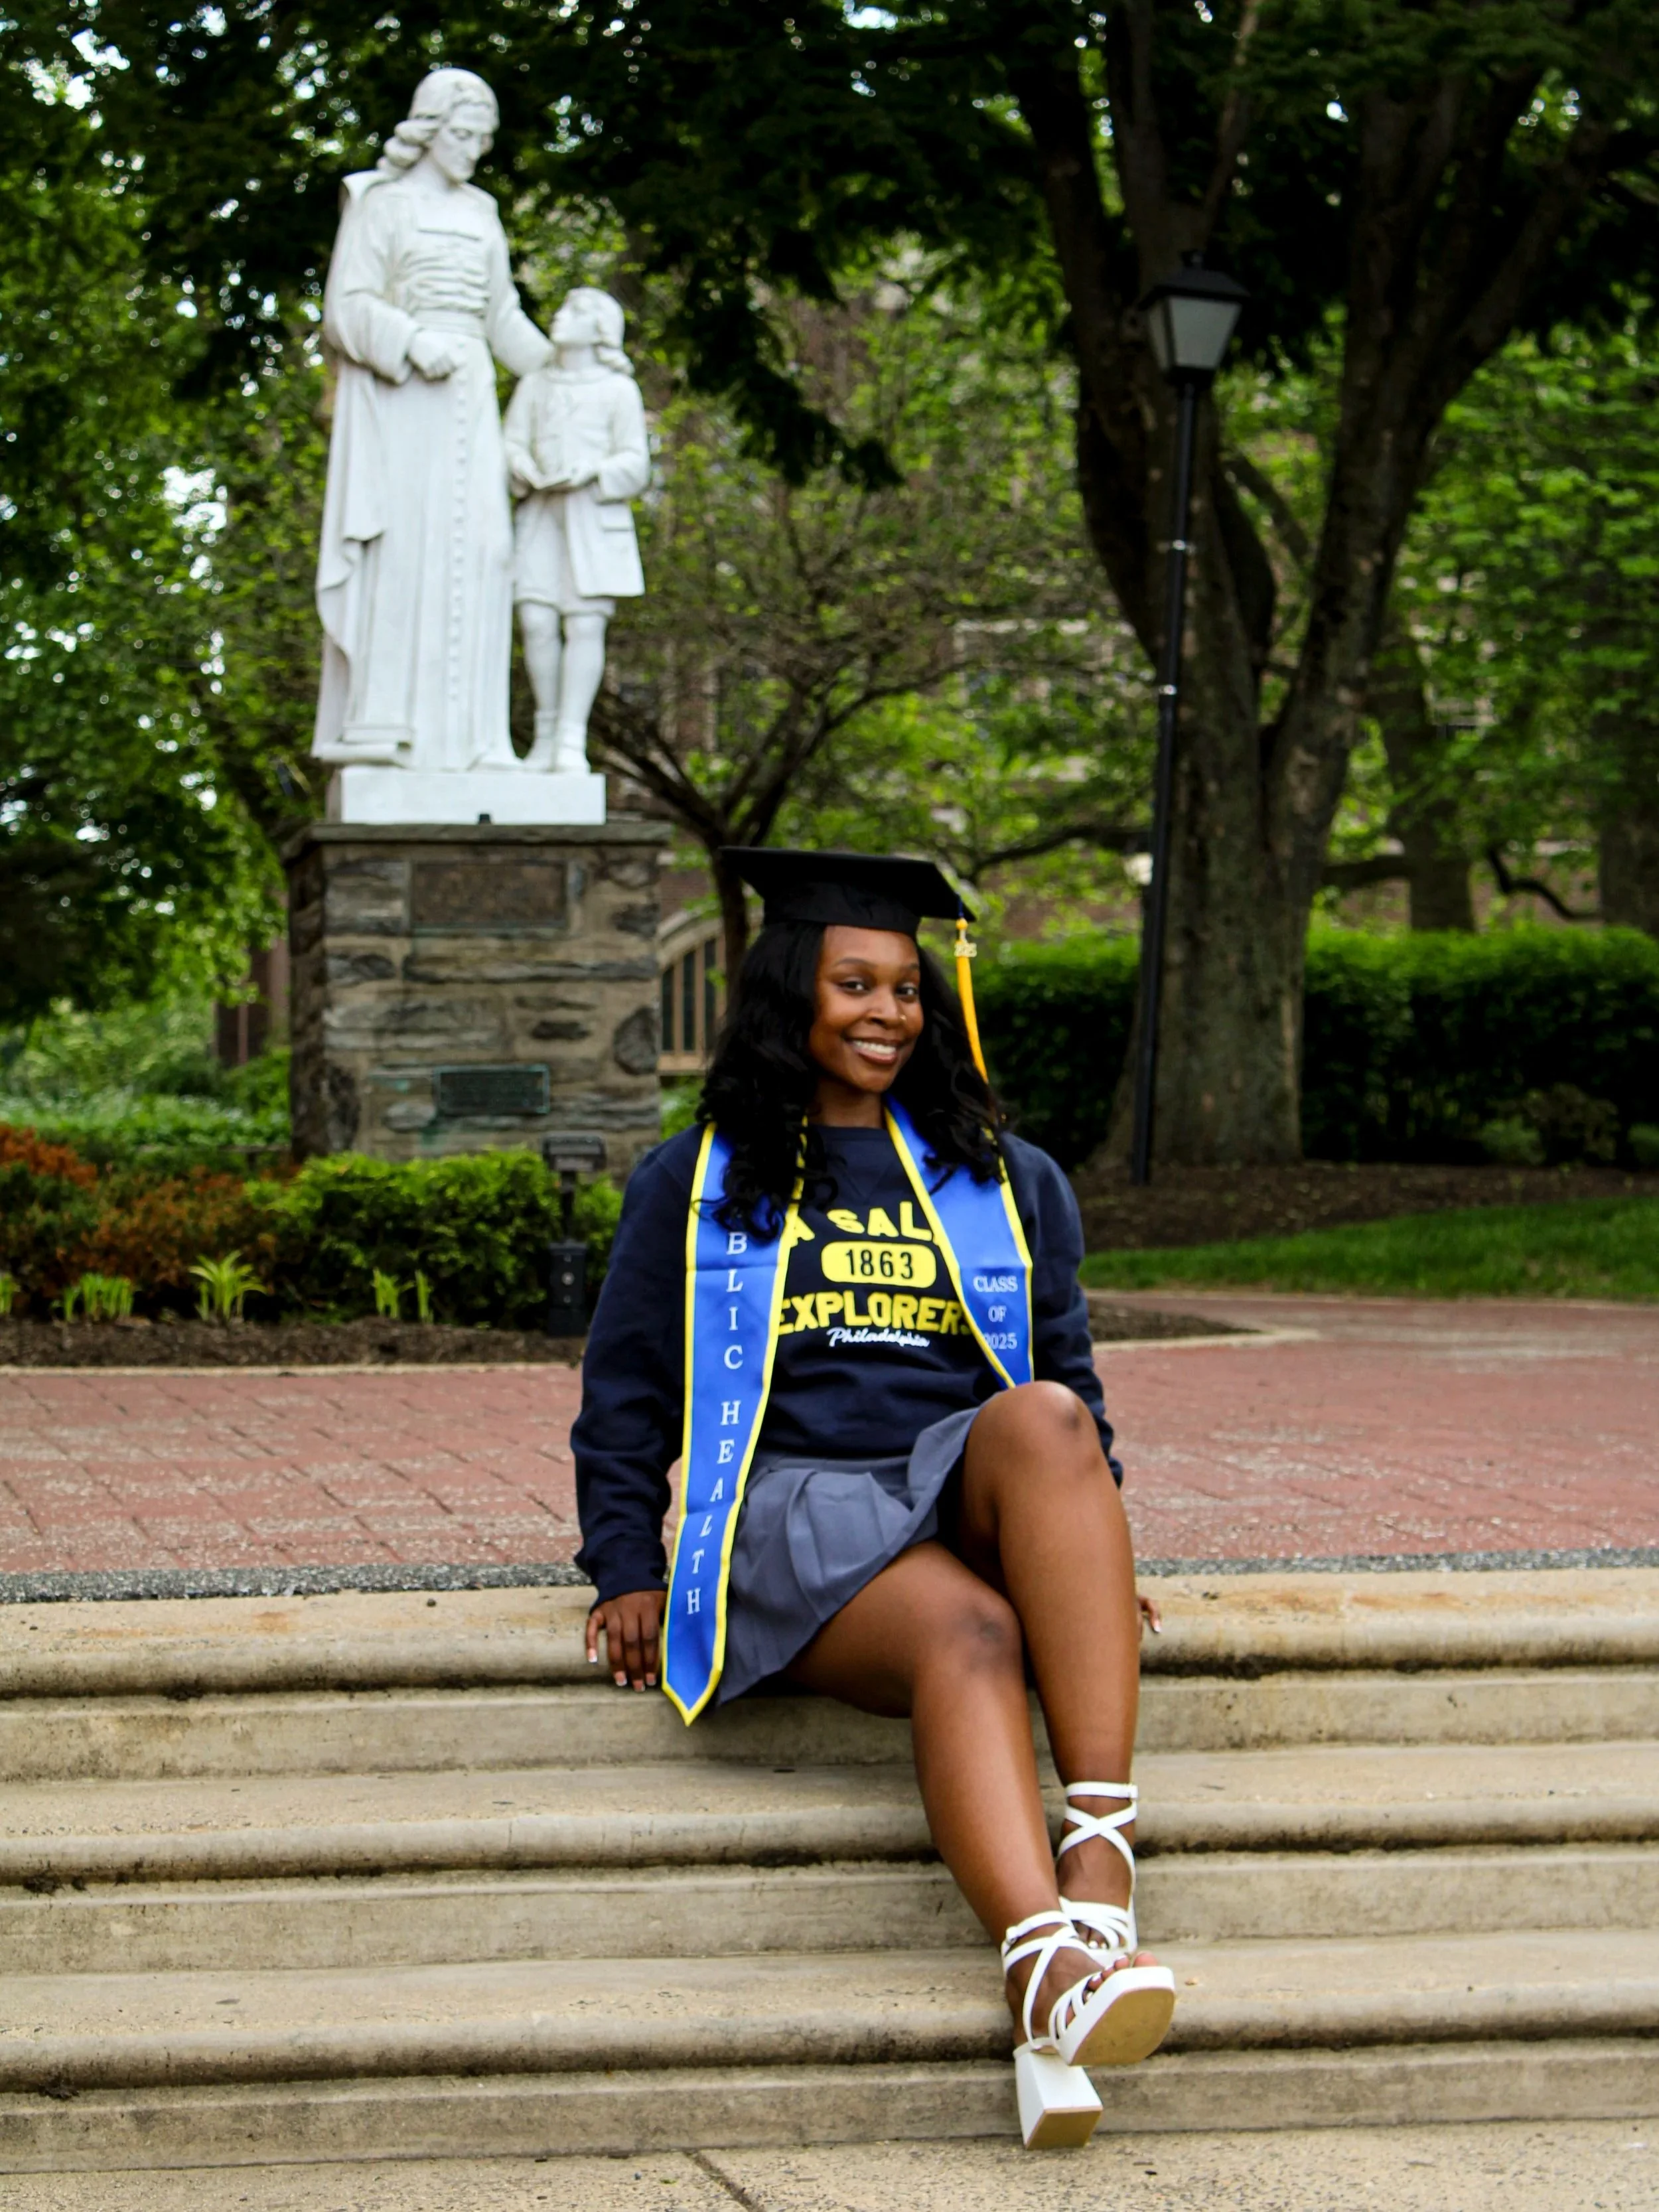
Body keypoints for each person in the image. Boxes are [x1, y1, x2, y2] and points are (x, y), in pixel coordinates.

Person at [572, 849, 1175, 2148]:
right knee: (972, 1633)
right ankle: (1047, 1963)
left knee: (1046, 1415)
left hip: (954, 1478)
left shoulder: (1006, 1177)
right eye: (856, 984)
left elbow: (1064, 1378)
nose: (889, 1013)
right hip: (790, 1506)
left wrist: (1090, 1542)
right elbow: (625, 1388)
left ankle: (1096, 1861)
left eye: (906, 988)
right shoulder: (697, 1178)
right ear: (792, 993)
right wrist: (623, 1560)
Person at [313, 68, 550, 773]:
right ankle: (387, 724)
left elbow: (502, 314)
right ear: (429, 128)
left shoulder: (482, 211)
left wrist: (567, 368)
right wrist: (412, 341)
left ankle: (478, 740)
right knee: (405, 551)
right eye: (463, 134)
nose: (475, 150)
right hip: (404, 400)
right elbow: (346, 307)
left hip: (471, 396)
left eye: (483, 138)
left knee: (486, 552)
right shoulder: (381, 204)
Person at [504, 287, 650, 772]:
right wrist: (522, 467)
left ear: (599, 329)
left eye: (575, 312)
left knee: (584, 623)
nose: (561, 318)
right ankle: (546, 732)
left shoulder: (617, 389)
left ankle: (571, 736)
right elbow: (510, 443)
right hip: (542, 514)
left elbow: (636, 464)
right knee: (537, 620)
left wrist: (592, 471)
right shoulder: (536, 384)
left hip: (592, 518)